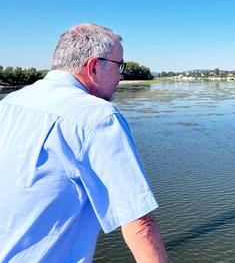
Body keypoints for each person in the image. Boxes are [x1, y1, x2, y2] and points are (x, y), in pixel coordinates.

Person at [0, 24, 170, 263]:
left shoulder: (11, 103)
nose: (122, 75)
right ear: (93, 67)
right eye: (119, 65)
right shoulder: (98, 117)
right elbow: (140, 226)